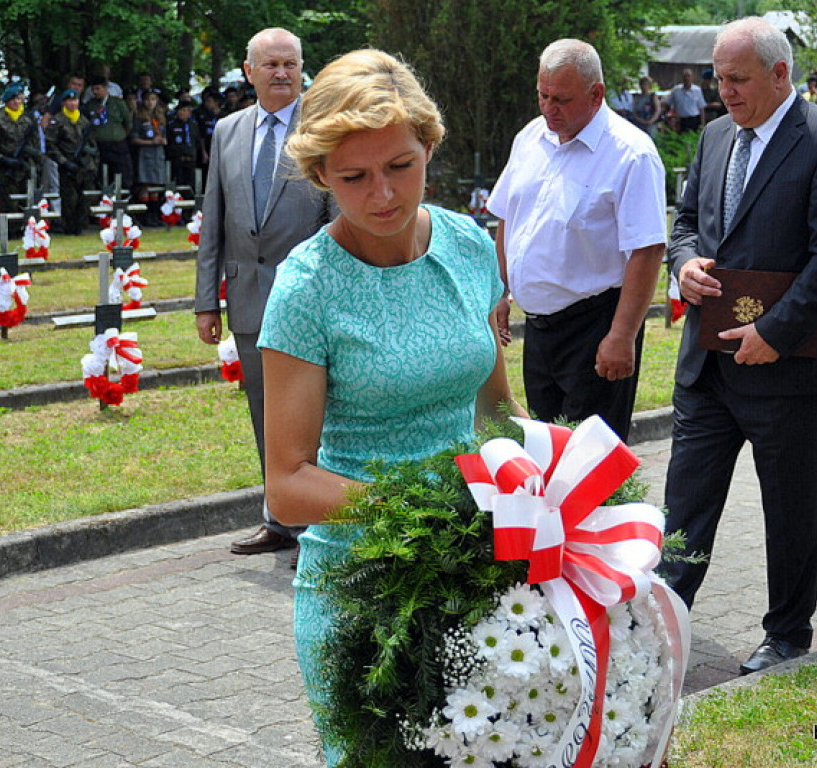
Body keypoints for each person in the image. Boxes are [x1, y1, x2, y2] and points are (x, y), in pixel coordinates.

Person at [260, 48, 523, 766]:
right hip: (366, 599)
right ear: (320, 176)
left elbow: (495, 410)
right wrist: (415, 517)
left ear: (430, 147)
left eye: (401, 166)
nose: (383, 193)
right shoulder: (307, 289)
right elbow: (287, 481)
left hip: (476, 576)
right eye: (354, 177)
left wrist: (563, 476)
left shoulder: (468, 246)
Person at [660, 18, 817, 676]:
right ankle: (658, 623)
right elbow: (687, 220)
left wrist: (773, 333)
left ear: (781, 74)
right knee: (684, 508)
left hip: (785, 369)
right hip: (706, 368)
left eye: (737, 79)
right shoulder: (716, 134)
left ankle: (786, 635)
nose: (724, 92)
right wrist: (684, 263)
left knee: (790, 509)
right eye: (719, 78)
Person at [194, 28, 335, 560]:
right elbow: (215, 219)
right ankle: (278, 518)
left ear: (302, 69)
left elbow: (334, 216)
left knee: (315, 417)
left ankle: (317, 527)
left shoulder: (321, 127)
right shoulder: (227, 131)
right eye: (270, 65)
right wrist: (207, 299)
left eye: (290, 64)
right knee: (264, 411)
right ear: (249, 72)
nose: (281, 73)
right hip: (249, 298)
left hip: (309, 300)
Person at [486, 38, 667, 441]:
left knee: (589, 461)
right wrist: (499, 290)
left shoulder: (630, 154)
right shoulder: (530, 138)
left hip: (596, 324)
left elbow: (647, 250)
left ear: (596, 93)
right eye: (542, 95)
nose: (549, 109)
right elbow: (507, 218)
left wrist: (621, 335)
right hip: (540, 328)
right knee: (546, 449)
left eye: (561, 100)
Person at [45, 88, 98, 235]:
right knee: (70, 199)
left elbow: (92, 143)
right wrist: (64, 162)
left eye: (75, 100)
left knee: (85, 198)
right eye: (70, 100)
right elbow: (50, 145)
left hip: (84, 165)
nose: (73, 103)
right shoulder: (58, 120)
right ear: (64, 103)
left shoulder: (83, 120)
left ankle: (80, 226)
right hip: (68, 165)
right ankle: (69, 227)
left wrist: (92, 161)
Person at [0, 83, 41, 211]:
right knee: (10, 205)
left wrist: (32, 156)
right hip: (6, 169)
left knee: (27, 203)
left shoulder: (28, 120)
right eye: (13, 99)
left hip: (24, 167)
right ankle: (13, 230)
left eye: (19, 99)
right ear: (7, 101)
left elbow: (35, 144)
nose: (16, 102)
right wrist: (3, 159)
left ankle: (27, 229)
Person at [85, 75, 133, 189]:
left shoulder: (117, 103)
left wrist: (118, 136)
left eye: (98, 89)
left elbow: (128, 123)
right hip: (100, 146)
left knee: (122, 175)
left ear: (106, 88)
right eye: (93, 89)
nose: (95, 92)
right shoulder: (90, 105)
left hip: (117, 146)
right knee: (101, 177)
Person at [129, 89, 166, 224]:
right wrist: (150, 142)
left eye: (153, 99)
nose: (150, 103)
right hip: (145, 154)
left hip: (158, 155)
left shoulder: (160, 117)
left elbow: (165, 134)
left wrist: (163, 140)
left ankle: (154, 214)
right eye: (147, 99)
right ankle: (144, 216)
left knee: (155, 186)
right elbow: (133, 139)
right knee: (145, 185)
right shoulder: (139, 117)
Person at [166, 98, 200, 189]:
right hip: (178, 159)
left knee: (191, 185)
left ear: (189, 112)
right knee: (178, 184)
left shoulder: (194, 125)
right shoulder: (172, 125)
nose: (181, 113)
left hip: (190, 160)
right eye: (180, 110)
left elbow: (197, 142)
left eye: (184, 110)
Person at [666, 68, 706, 133]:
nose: (686, 78)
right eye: (685, 76)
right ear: (682, 78)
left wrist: (702, 123)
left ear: (692, 78)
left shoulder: (697, 90)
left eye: (688, 76)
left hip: (694, 119)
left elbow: (701, 107)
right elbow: (668, 103)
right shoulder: (676, 90)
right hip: (680, 120)